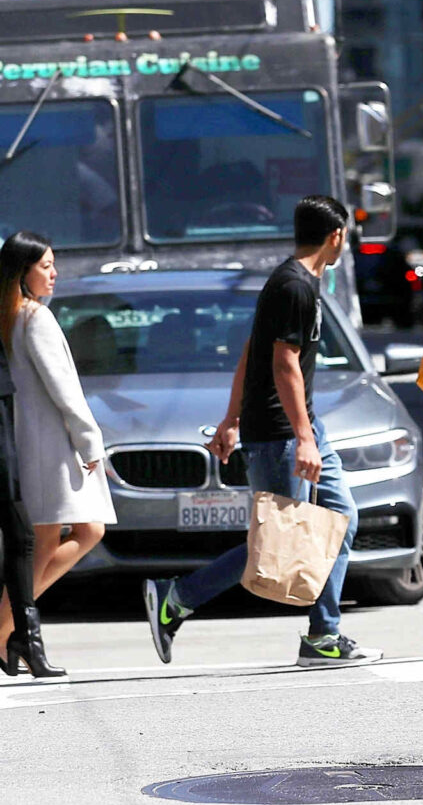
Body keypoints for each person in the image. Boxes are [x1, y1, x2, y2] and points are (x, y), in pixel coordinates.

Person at [142, 196, 382, 667]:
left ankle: (323, 633)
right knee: (277, 541)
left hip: (301, 427)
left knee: (342, 518)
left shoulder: (299, 282)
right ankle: (177, 597)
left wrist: (231, 419)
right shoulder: (293, 286)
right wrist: (303, 437)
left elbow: (251, 355)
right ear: (336, 236)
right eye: (346, 235)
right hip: (282, 435)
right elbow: (282, 362)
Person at [0, 232, 90, 677]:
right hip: (51, 445)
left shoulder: (15, 315)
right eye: (46, 266)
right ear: (23, 272)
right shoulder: (33, 317)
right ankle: (5, 630)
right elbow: (65, 391)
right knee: (55, 537)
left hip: (37, 441)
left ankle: (9, 629)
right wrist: (91, 443)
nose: (54, 274)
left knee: (68, 534)